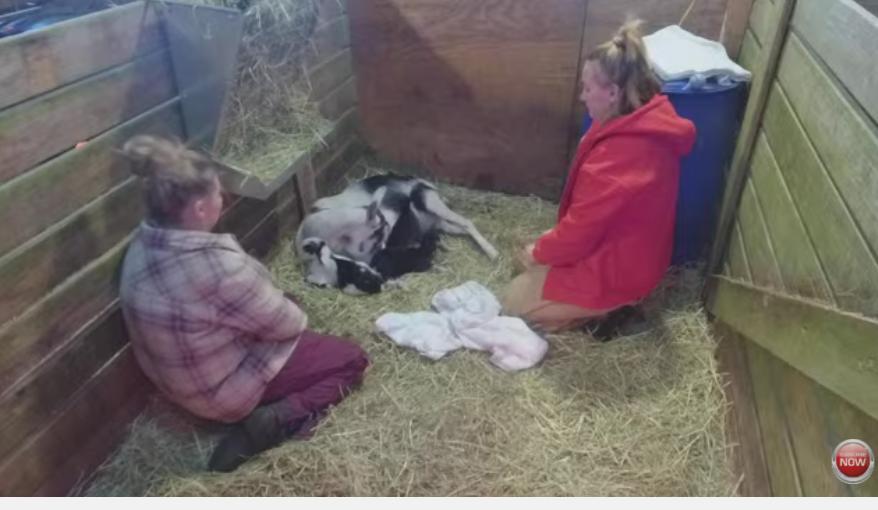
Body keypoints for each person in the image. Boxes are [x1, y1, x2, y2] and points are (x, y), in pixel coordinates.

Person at [118, 135, 369, 472]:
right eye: (217, 192)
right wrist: (287, 305)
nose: (222, 198)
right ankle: (274, 420)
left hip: (179, 386)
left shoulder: (142, 245)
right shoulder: (217, 266)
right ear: (200, 209)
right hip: (222, 395)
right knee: (351, 359)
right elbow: (289, 324)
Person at [503, 21, 696, 334]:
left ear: (613, 93)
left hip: (618, 269)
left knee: (513, 302)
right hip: (631, 252)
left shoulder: (619, 156)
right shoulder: (639, 117)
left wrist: (539, 252)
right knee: (533, 259)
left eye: (587, 88)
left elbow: (580, 231)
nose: (582, 97)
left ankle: (612, 311)